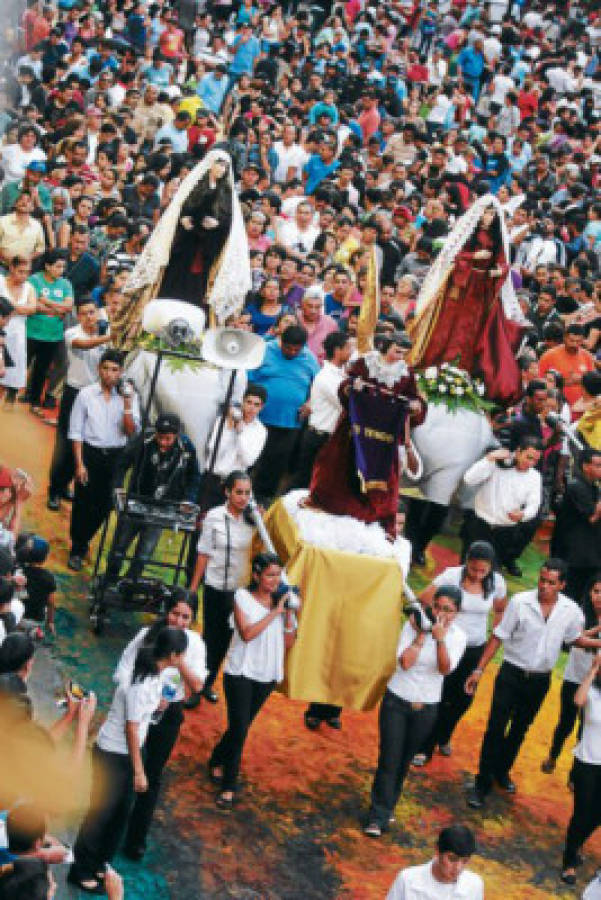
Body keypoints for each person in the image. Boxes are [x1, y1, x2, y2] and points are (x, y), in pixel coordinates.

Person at [466, 559, 601, 809]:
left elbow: (574, 640)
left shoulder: (571, 611)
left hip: (540, 681)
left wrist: (596, 642)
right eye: (542, 580)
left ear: (562, 585)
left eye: (551, 582)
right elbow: (498, 636)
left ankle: (501, 772)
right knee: (496, 728)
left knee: (520, 729)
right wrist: (478, 669)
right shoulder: (520, 602)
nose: (544, 586)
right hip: (510, 675)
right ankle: (481, 783)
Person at [68, 627, 188, 893]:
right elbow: (131, 728)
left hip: (127, 752)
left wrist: (158, 707)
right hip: (114, 753)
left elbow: (142, 719)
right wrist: (139, 770)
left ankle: (101, 864)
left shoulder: (157, 675)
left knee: (120, 814)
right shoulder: (141, 682)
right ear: (173, 655)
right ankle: (81, 870)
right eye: (182, 655)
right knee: (101, 813)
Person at [363, 585, 466, 837]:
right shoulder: (413, 625)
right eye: (438, 607)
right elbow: (405, 662)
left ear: (457, 613)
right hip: (397, 700)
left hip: (427, 706)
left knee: (404, 761)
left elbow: (445, 669)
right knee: (389, 758)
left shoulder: (458, 637)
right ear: (431, 606)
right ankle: (377, 816)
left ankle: (386, 806)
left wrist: (440, 639)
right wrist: (422, 635)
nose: (442, 613)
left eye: (448, 610)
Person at [113, 588, 207, 860]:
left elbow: (198, 684)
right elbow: (123, 669)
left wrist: (180, 663)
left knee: (152, 776)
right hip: (138, 710)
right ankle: (114, 824)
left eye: (186, 617)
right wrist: (143, 695)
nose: (179, 621)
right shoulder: (147, 637)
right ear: (167, 611)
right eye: (175, 614)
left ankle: (136, 838)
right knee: (125, 766)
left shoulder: (195, 645)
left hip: (168, 714)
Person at [408, 194, 526, 405]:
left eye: (491, 213)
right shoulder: (468, 233)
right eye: (485, 212)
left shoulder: (497, 237)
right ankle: (441, 366)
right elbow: (453, 256)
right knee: (453, 328)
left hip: (482, 290)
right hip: (463, 288)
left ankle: (463, 370)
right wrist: (473, 258)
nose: (487, 217)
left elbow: (503, 261)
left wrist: (499, 270)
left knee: (473, 331)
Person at [308, 331, 427, 537]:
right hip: (355, 431)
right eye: (397, 351)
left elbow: (414, 400)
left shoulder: (406, 374)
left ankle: (373, 514)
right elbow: (346, 387)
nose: (400, 357)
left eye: (403, 353)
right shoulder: (365, 363)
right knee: (340, 465)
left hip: (384, 438)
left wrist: (416, 406)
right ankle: (332, 503)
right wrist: (351, 388)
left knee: (382, 478)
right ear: (385, 347)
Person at [208, 551, 298, 809]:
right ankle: (228, 785)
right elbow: (247, 633)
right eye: (269, 575)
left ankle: (216, 758)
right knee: (239, 729)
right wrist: (275, 612)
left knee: (242, 725)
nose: (274, 580)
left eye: (278, 575)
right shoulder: (242, 598)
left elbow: (289, 643)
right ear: (256, 575)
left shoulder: (283, 604)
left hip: (266, 674)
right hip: (241, 672)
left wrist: (288, 615)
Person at [414, 542, 507, 764]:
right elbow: (424, 599)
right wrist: (437, 626)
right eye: (473, 569)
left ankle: (445, 734)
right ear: (466, 563)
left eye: (483, 571)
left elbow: (501, 609)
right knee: (440, 695)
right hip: (447, 644)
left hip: (475, 648)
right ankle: (425, 746)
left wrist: (496, 632)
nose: (477, 575)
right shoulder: (451, 576)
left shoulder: (498, 583)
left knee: (464, 698)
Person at [67, 349, 141, 571]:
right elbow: (76, 431)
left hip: (116, 457)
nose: (109, 374)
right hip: (90, 453)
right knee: (82, 502)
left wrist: (127, 403)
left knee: (106, 504)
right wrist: (79, 464)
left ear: (121, 372)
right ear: (99, 369)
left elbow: (131, 432)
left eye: (115, 370)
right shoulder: (86, 394)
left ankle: (84, 539)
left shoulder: (129, 396)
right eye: (106, 369)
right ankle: (77, 548)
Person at [106, 413, 201, 581]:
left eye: (168, 439)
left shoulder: (186, 447)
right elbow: (122, 463)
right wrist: (118, 487)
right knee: (119, 547)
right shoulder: (144, 439)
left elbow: (194, 476)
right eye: (160, 437)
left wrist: (188, 499)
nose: (163, 443)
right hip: (136, 500)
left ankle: (130, 584)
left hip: (163, 507)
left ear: (177, 435)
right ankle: (110, 579)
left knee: (144, 554)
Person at [189, 471, 254, 703]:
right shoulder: (214, 517)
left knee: (226, 639)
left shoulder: (253, 521)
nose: (243, 498)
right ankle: (197, 685)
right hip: (215, 586)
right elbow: (204, 552)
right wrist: (193, 588)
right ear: (227, 492)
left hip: (239, 591)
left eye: (247, 493)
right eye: (238, 492)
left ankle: (207, 683)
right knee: (209, 637)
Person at [47, 297, 111, 510]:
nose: (89, 317)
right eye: (84, 313)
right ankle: (54, 490)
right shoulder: (72, 333)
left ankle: (67, 485)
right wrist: (108, 337)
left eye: (92, 312)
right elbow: (83, 345)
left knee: (85, 443)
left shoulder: (105, 333)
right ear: (77, 315)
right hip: (75, 393)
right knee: (65, 443)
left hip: (97, 395)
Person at [249, 324, 320, 504]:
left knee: (276, 463)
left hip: (289, 422)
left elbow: (318, 386)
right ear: (281, 341)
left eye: (297, 349)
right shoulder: (265, 350)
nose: (292, 352)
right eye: (288, 348)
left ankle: (263, 498)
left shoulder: (309, 359)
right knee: (252, 457)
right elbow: (248, 378)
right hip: (259, 418)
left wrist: (310, 401)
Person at [542, 574, 601, 777]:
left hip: (596, 683)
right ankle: (553, 755)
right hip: (575, 677)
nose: (599, 597)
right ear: (589, 592)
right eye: (596, 591)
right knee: (566, 722)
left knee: (587, 727)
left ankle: (576, 773)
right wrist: (598, 630)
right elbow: (574, 639)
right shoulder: (578, 613)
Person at [461, 438, 542, 578]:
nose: (530, 463)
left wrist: (523, 514)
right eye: (528, 457)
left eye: (535, 460)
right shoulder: (496, 463)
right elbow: (469, 479)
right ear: (518, 452)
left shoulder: (535, 476)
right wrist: (489, 459)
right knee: (466, 569)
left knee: (492, 574)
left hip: (505, 532)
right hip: (479, 525)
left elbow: (534, 505)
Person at [291, 331, 351, 490]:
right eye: (348, 348)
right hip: (319, 438)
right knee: (304, 484)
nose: (351, 352)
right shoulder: (326, 377)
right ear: (338, 351)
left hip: (329, 438)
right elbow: (346, 405)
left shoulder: (342, 375)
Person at [561, 651, 601, 886]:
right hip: (587, 763)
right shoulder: (592, 694)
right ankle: (569, 860)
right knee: (582, 813)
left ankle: (575, 845)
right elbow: (577, 700)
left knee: (597, 814)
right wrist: (593, 669)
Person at [203, 383, 267, 508]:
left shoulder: (260, 431)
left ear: (262, 407)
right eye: (249, 402)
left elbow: (248, 460)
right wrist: (229, 429)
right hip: (212, 479)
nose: (251, 408)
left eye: (256, 404)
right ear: (243, 401)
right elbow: (213, 449)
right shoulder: (224, 420)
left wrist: (239, 433)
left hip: (234, 485)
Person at [26, 249, 73, 415]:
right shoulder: (34, 280)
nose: (61, 271)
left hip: (53, 335)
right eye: (58, 267)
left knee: (41, 369)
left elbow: (68, 306)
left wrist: (46, 302)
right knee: (20, 365)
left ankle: (34, 402)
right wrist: (57, 308)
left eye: (63, 267)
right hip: (31, 332)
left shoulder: (66, 283)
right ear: (47, 266)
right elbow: (35, 304)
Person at [552, 447, 601, 603]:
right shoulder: (576, 486)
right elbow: (593, 516)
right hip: (574, 557)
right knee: (568, 598)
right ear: (586, 466)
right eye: (598, 465)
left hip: (590, 555)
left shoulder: (594, 488)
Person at [386, 824, 483, 899]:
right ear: (437, 850)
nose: (458, 868)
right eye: (452, 859)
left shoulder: (474, 885)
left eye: (465, 861)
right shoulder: (407, 880)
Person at [0, 256, 36, 403]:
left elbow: (33, 309)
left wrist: (9, 306)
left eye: (27, 272)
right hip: (1, 330)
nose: (24, 276)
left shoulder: (29, 288)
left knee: (12, 375)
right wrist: (20, 309)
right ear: (11, 268)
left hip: (17, 335)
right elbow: (27, 308)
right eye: (20, 271)